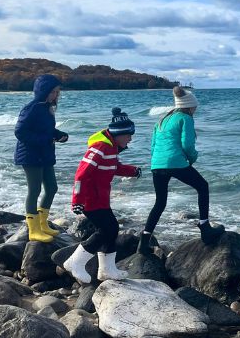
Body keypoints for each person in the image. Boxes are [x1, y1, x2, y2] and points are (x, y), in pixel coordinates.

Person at [137, 86, 224, 255]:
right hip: (175, 162)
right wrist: (191, 159)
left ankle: (144, 241)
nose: (196, 109)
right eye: (195, 107)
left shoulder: (162, 120)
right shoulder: (185, 118)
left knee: (160, 202)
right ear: (189, 106)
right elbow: (187, 145)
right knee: (202, 186)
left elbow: (153, 145)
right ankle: (205, 228)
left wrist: (156, 162)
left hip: (157, 164)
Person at [64, 107, 142, 283]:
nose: (131, 138)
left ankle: (107, 270)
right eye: (129, 134)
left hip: (101, 199)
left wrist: (133, 171)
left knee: (112, 229)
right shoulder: (100, 148)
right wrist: (77, 200)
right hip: (90, 199)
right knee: (106, 230)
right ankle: (75, 263)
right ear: (119, 134)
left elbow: (114, 167)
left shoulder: (111, 148)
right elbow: (81, 174)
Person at [13, 74, 69, 243]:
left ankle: (43, 224)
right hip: (30, 155)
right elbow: (20, 132)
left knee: (52, 188)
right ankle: (33, 230)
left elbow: (46, 131)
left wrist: (59, 135)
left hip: (44, 154)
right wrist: (46, 140)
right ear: (43, 91)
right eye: (53, 92)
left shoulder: (47, 108)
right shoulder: (32, 108)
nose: (56, 95)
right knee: (35, 190)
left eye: (58, 92)